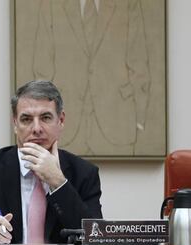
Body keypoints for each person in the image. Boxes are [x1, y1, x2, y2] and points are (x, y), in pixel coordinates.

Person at [0, 80, 103, 245]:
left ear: (61, 120)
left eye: (45, 118)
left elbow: (95, 240)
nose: (36, 128)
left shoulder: (84, 173)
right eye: (26, 119)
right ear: (15, 124)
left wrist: (58, 182)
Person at [33, 0, 150, 156]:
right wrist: (43, 122)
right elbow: (42, 69)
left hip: (117, 123)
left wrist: (140, 119)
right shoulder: (52, 4)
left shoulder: (127, 4)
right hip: (66, 128)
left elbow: (139, 60)